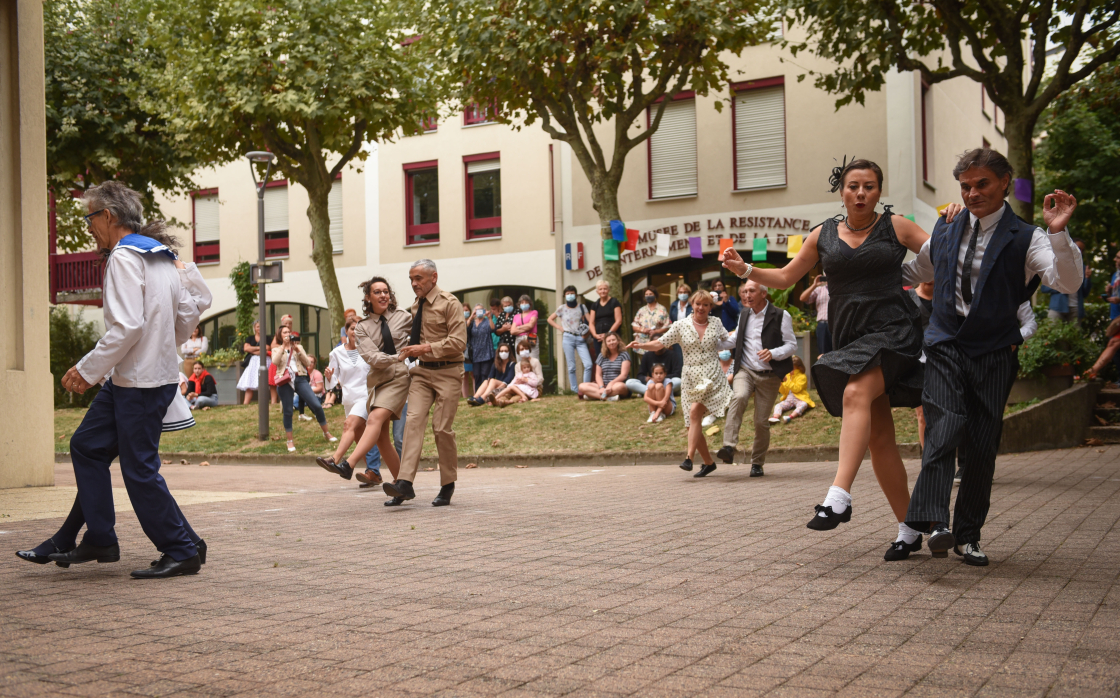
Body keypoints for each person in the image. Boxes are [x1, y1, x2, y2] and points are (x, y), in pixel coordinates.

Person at [720, 158, 964, 559]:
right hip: (850, 336)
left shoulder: (896, 226)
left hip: (893, 331)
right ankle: (908, 529)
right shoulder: (823, 234)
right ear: (842, 192)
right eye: (854, 186)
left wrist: (951, 219)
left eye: (869, 186)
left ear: (879, 191)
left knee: (854, 394)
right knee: (880, 437)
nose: (861, 193)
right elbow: (784, 276)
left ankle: (839, 495)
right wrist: (744, 267)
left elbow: (942, 253)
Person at [901, 148, 1083, 565]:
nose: (971, 193)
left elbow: (1067, 283)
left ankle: (967, 536)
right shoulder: (945, 228)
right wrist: (862, 271)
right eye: (965, 186)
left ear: (1004, 182)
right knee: (944, 424)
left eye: (981, 184)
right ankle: (935, 524)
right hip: (945, 343)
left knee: (982, 445)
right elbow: (912, 273)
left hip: (995, 351)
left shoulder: (1029, 237)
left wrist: (1059, 233)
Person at [23, 180, 209, 578]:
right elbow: (187, 318)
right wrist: (156, 346)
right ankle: (100, 538)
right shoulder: (159, 256)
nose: (89, 227)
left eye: (91, 218)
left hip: (137, 382)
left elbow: (125, 326)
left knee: (139, 469)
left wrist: (86, 370)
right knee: (88, 446)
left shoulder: (125, 257)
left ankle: (180, 549)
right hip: (143, 378)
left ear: (107, 215)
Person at [382, 260, 467, 507]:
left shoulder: (450, 303)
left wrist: (426, 347)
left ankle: (447, 484)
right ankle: (404, 484)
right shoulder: (415, 305)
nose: (414, 283)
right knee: (413, 422)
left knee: (441, 429)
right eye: (411, 279)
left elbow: (459, 342)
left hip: (449, 372)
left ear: (433, 277)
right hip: (422, 373)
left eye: (418, 278)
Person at [319, 276, 412, 498]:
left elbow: (421, 333)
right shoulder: (362, 328)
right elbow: (373, 358)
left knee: (374, 420)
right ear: (368, 297)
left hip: (398, 376)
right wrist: (399, 355)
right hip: (377, 379)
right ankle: (403, 486)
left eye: (386, 291)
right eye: (377, 292)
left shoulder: (404, 317)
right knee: (381, 438)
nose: (383, 295)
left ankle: (348, 465)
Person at [626, 291, 731, 476]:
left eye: (706, 305)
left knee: (694, 412)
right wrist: (641, 345)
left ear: (710, 307)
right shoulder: (681, 325)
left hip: (711, 375)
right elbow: (660, 343)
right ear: (692, 304)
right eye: (698, 304)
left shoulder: (716, 323)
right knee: (692, 424)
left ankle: (689, 458)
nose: (701, 308)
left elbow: (728, 341)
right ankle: (708, 462)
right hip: (690, 376)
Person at [714, 280, 797, 475]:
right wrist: (711, 342)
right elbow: (735, 339)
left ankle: (757, 462)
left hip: (770, 376)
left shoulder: (780, 315)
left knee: (761, 421)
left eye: (751, 291)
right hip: (746, 370)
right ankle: (728, 446)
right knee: (739, 396)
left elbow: (792, 345)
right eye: (744, 291)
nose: (746, 295)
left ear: (763, 293)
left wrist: (774, 353)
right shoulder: (743, 314)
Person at [320, 319, 372, 477]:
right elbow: (332, 382)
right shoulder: (336, 353)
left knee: (348, 425)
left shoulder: (369, 349)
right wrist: (328, 377)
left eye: (359, 329)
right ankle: (373, 472)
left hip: (366, 395)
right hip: (349, 398)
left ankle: (334, 460)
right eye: (352, 329)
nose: (355, 332)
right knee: (360, 437)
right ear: (347, 331)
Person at [272, 327, 335, 452]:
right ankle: (290, 441)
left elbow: (307, 363)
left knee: (316, 405)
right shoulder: (276, 349)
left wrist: (297, 351)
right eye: (284, 332)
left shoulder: (298, 347)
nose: (287, 334)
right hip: (285, 380)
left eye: (289, 332)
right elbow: (275, 362)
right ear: (280, 335)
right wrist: (283, 347)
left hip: (299, 378)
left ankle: (326, 433)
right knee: (288, 411)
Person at [549, 285, 593, 392]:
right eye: (567, 294)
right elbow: (550, 319)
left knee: (588, 364)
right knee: (571, 366)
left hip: (580, 338)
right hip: (567, 337)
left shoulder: (582, 307)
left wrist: (587, 333)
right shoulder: (562, 308)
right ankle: (575, 389)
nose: (570, 296)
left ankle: (585, 388)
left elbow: (591, 321)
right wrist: (560, 328)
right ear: (564, 295)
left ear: (576, 295)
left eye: (572, 293)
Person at [1040, 238, 1090, 324]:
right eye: (1078, 247)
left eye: (1082, 249)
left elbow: (1085, 293)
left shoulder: (1083, 268)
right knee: (1052, 334)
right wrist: (1062, 287)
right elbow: (1044, 288)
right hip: (1057, 307)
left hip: (1075, 308)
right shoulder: (1056, 264)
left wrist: (1088, 278)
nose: (1080, 251)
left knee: (1075, 336)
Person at [625, 342, 682, 407]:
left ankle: (653, 393)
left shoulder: (672, 354)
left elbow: (677, 373)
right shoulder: (647, 355)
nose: (656, 346)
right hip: (652, 384)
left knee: (678, 381)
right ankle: (659, 392)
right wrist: (646, 378)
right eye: (654, 344)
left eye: (658, 344)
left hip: (666, 383)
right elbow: (640, 375)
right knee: (629, 382)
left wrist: (662, 378)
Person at [577, 332, 631, 401]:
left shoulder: (624, 354)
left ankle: (593, 396)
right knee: (582, 386)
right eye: (609, 341)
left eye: (613, 340)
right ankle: (608, 398)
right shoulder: (602, 356)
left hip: (617, 384)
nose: (611, 342)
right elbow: (598, 375)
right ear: (605, 343)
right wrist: (601, 387)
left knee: (621, 387)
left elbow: (623, 375)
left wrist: (611, 384)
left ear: (618, 341)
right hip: (604, 385)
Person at [770, 355, 814, 424]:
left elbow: (797, 389)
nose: (790, 370)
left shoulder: (802, 377)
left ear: (799, 368)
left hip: (799, 399)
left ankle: (790, 417)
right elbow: (784, 391)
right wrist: (780, 385)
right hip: (789, 399)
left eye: (792, 368)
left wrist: (787, 381)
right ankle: (775, 417)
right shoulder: (787, 376)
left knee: (804, 405)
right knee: (778, 405)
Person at [466, 303, 495, 402]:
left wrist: (489, 317)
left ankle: (484, 396)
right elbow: (465, 329)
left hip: (487, 352)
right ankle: (477, 395)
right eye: (477, 310)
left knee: (485, 374)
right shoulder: (472, 322)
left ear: (484, 311)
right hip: (475, 353)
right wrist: (471, 316)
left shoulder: (487, 321)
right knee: (477, 374)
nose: (479, 312)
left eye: (481, 310)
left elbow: (492, 329)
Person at [588, 280, 623, 359]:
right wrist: (595, 335)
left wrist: (608, 334)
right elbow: (591, 323)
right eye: (600, 289)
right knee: (600, 359)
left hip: (612, 337)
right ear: (597, 291)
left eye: (605, 289)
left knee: (613, 358)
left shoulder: (614, 302)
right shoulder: (595, 305)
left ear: (608, 290)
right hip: (598, 338)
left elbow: (618, 321)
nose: (603, 291)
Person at [800, 275, 832, 354]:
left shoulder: (840, 289)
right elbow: (802, 298)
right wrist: (814, 285)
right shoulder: (819, 289)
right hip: (823, 325)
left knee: (838, 352)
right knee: (823, 353)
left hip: (838, 324)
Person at [631, 288, 670, 353]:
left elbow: (667, 326)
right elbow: (634, 326)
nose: (648, 296)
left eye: (650, 294)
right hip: (642, 344)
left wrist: (656, 331)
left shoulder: (662, 309)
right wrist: (643, 330)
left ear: (655, 295)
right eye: (646, 294)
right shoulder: (641, 310)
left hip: (657, 344)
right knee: (644, 362)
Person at [236, 321, 264, 404]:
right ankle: (246, 403)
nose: (259, 328)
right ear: (254, 328)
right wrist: (259, 348)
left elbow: (266, 348)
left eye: (261, 326)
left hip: (263, 361)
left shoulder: (267, 338)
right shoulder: (250, 338)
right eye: (258, 326)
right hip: (252, 363)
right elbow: (246, 349)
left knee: (264, 382)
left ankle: (264, 403)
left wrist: (252, 349)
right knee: (249, 382)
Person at [296, 356, 326, 421]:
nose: (309, 363)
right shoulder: (303, 372)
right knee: (300, 396)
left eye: (311, 362)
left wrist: (307, 390)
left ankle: (295, 409)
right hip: (306, 394)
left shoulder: (317, 374)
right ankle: (302, 413)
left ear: (314, 364)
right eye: (307, 361)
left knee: (304, 397)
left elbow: (319, 389)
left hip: (317, 396)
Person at [511, 294, 540, 359]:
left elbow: (530, 325)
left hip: (531, 337)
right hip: (519, 339)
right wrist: (525, 328)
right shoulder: (516, 316)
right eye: (522, 302)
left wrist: (518, 327)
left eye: (526, 302)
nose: (524, 304)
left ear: (530, 304)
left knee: (533, 360)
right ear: (519, 304)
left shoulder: (534, 312)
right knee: (520, 361)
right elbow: (512, 331)